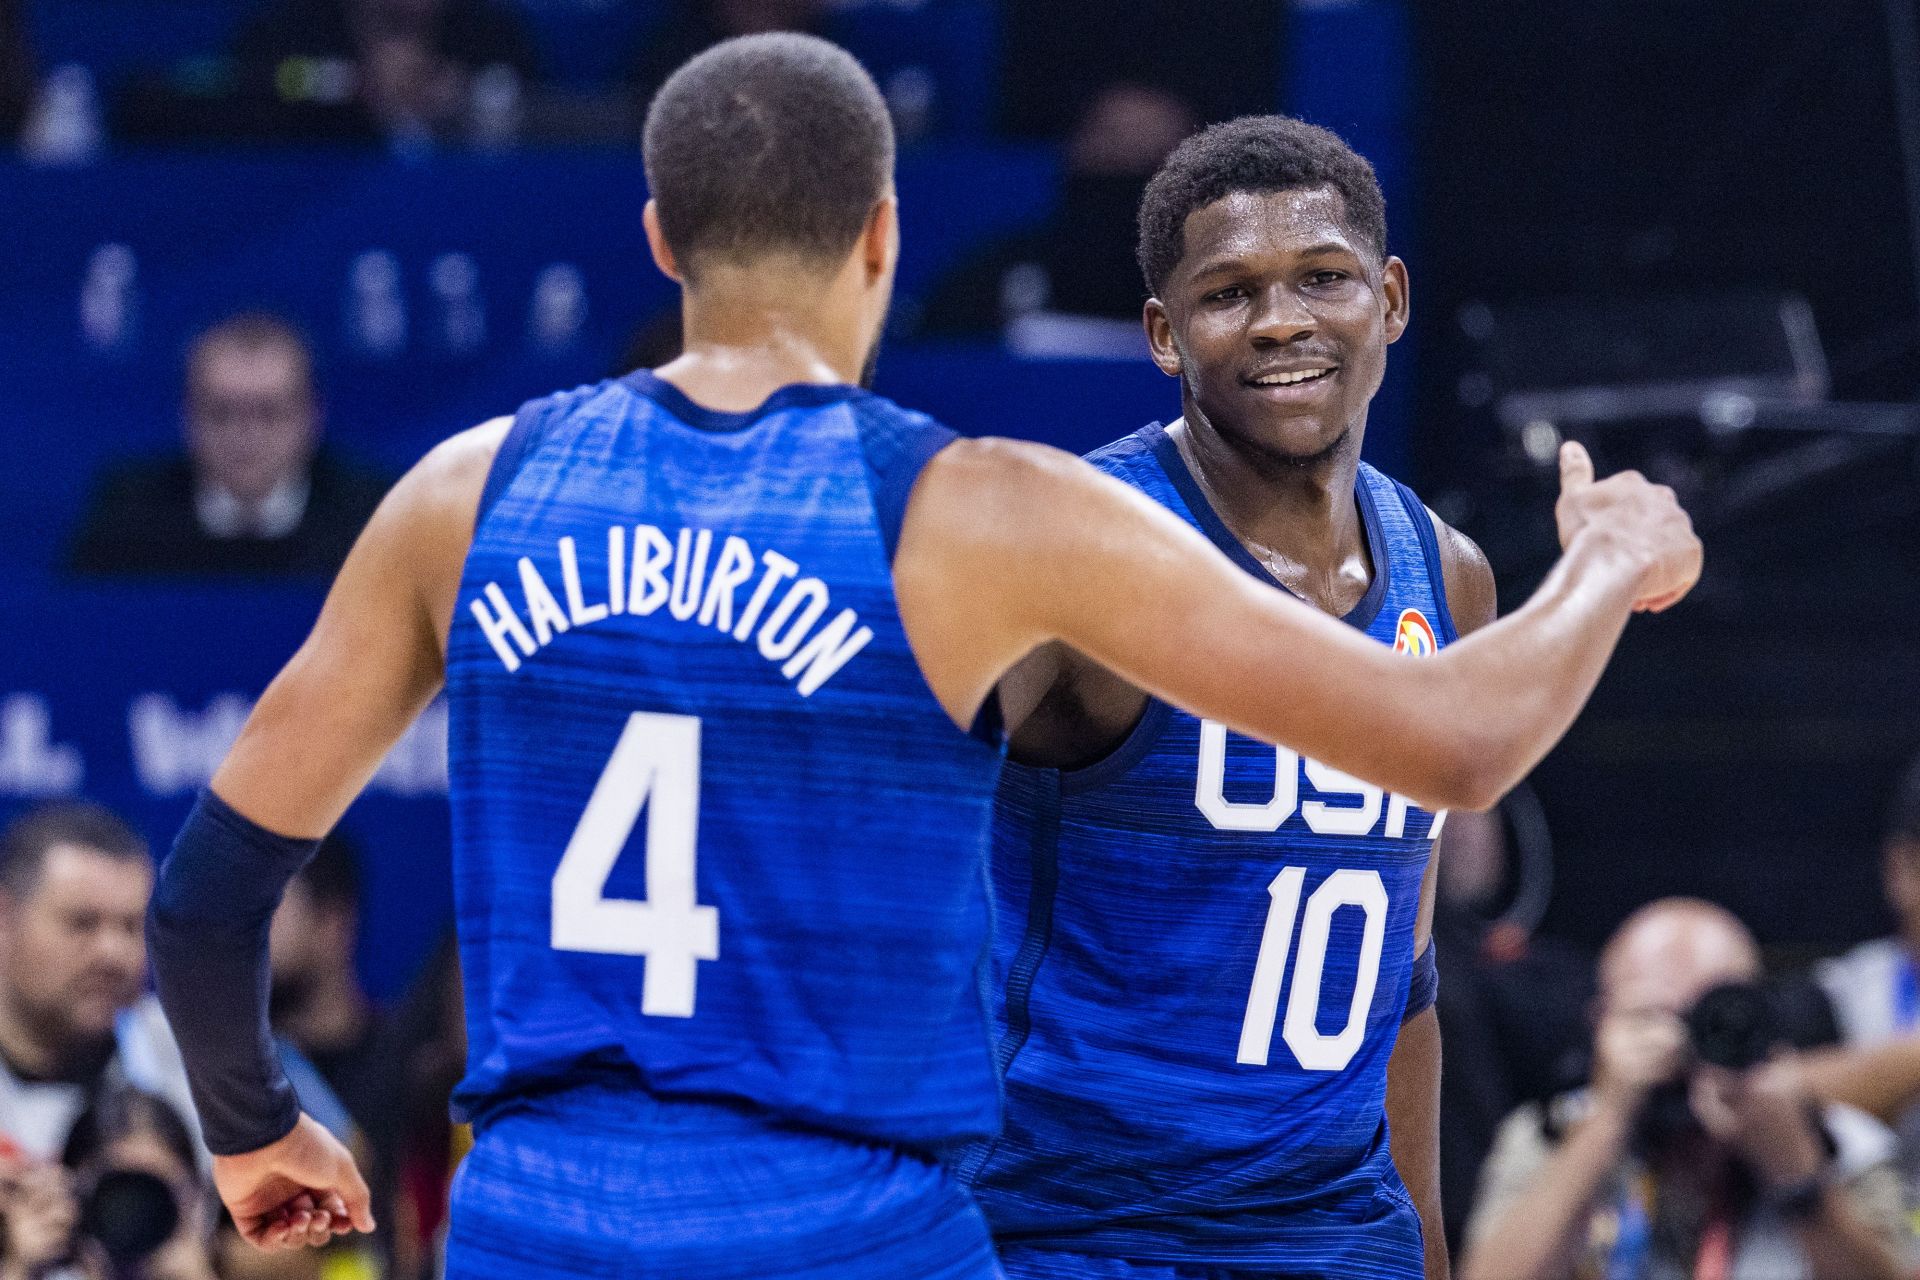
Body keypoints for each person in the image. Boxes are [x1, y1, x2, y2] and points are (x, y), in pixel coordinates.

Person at [142, 33, 1700, 1278]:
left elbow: (210, 894)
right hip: (872, 1220)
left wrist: (252, 1128)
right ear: (887, 237)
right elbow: (1457, 743)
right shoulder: (979, 515)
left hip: (553, 1214)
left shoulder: (459, 494)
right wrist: (1618, 551)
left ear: (657, 236)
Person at [957, 115, 1468, 1280]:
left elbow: (1409, 981)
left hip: (1335, 1236)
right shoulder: (1076, 551)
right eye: (1230, 292)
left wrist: (1430, 1249)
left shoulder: (1450, 574)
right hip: (1075, 1234)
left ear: (1389, 297)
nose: (1283, 318)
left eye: (1323, 278)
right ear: (1164, 334)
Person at [1461, 899, 1911, 1280]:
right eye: (1651, 1018)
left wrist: (1798, 1177)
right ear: (1601, 1022)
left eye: (1711, 1018)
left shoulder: (1840, 1142)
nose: (1684, 1047)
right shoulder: (1551, 1134)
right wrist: (1605, 1125)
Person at [66, 313, 391, 579]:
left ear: (311, 417)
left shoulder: (372, 519)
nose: (246, 434)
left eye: (269, 413)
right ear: (188, 417)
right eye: (222, 413)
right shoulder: (129, 516)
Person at [0, 803, 196, 1162]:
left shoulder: (192, 1059)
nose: (113, 953)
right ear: (5, 918)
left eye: (130, 926)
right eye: (82, 923)